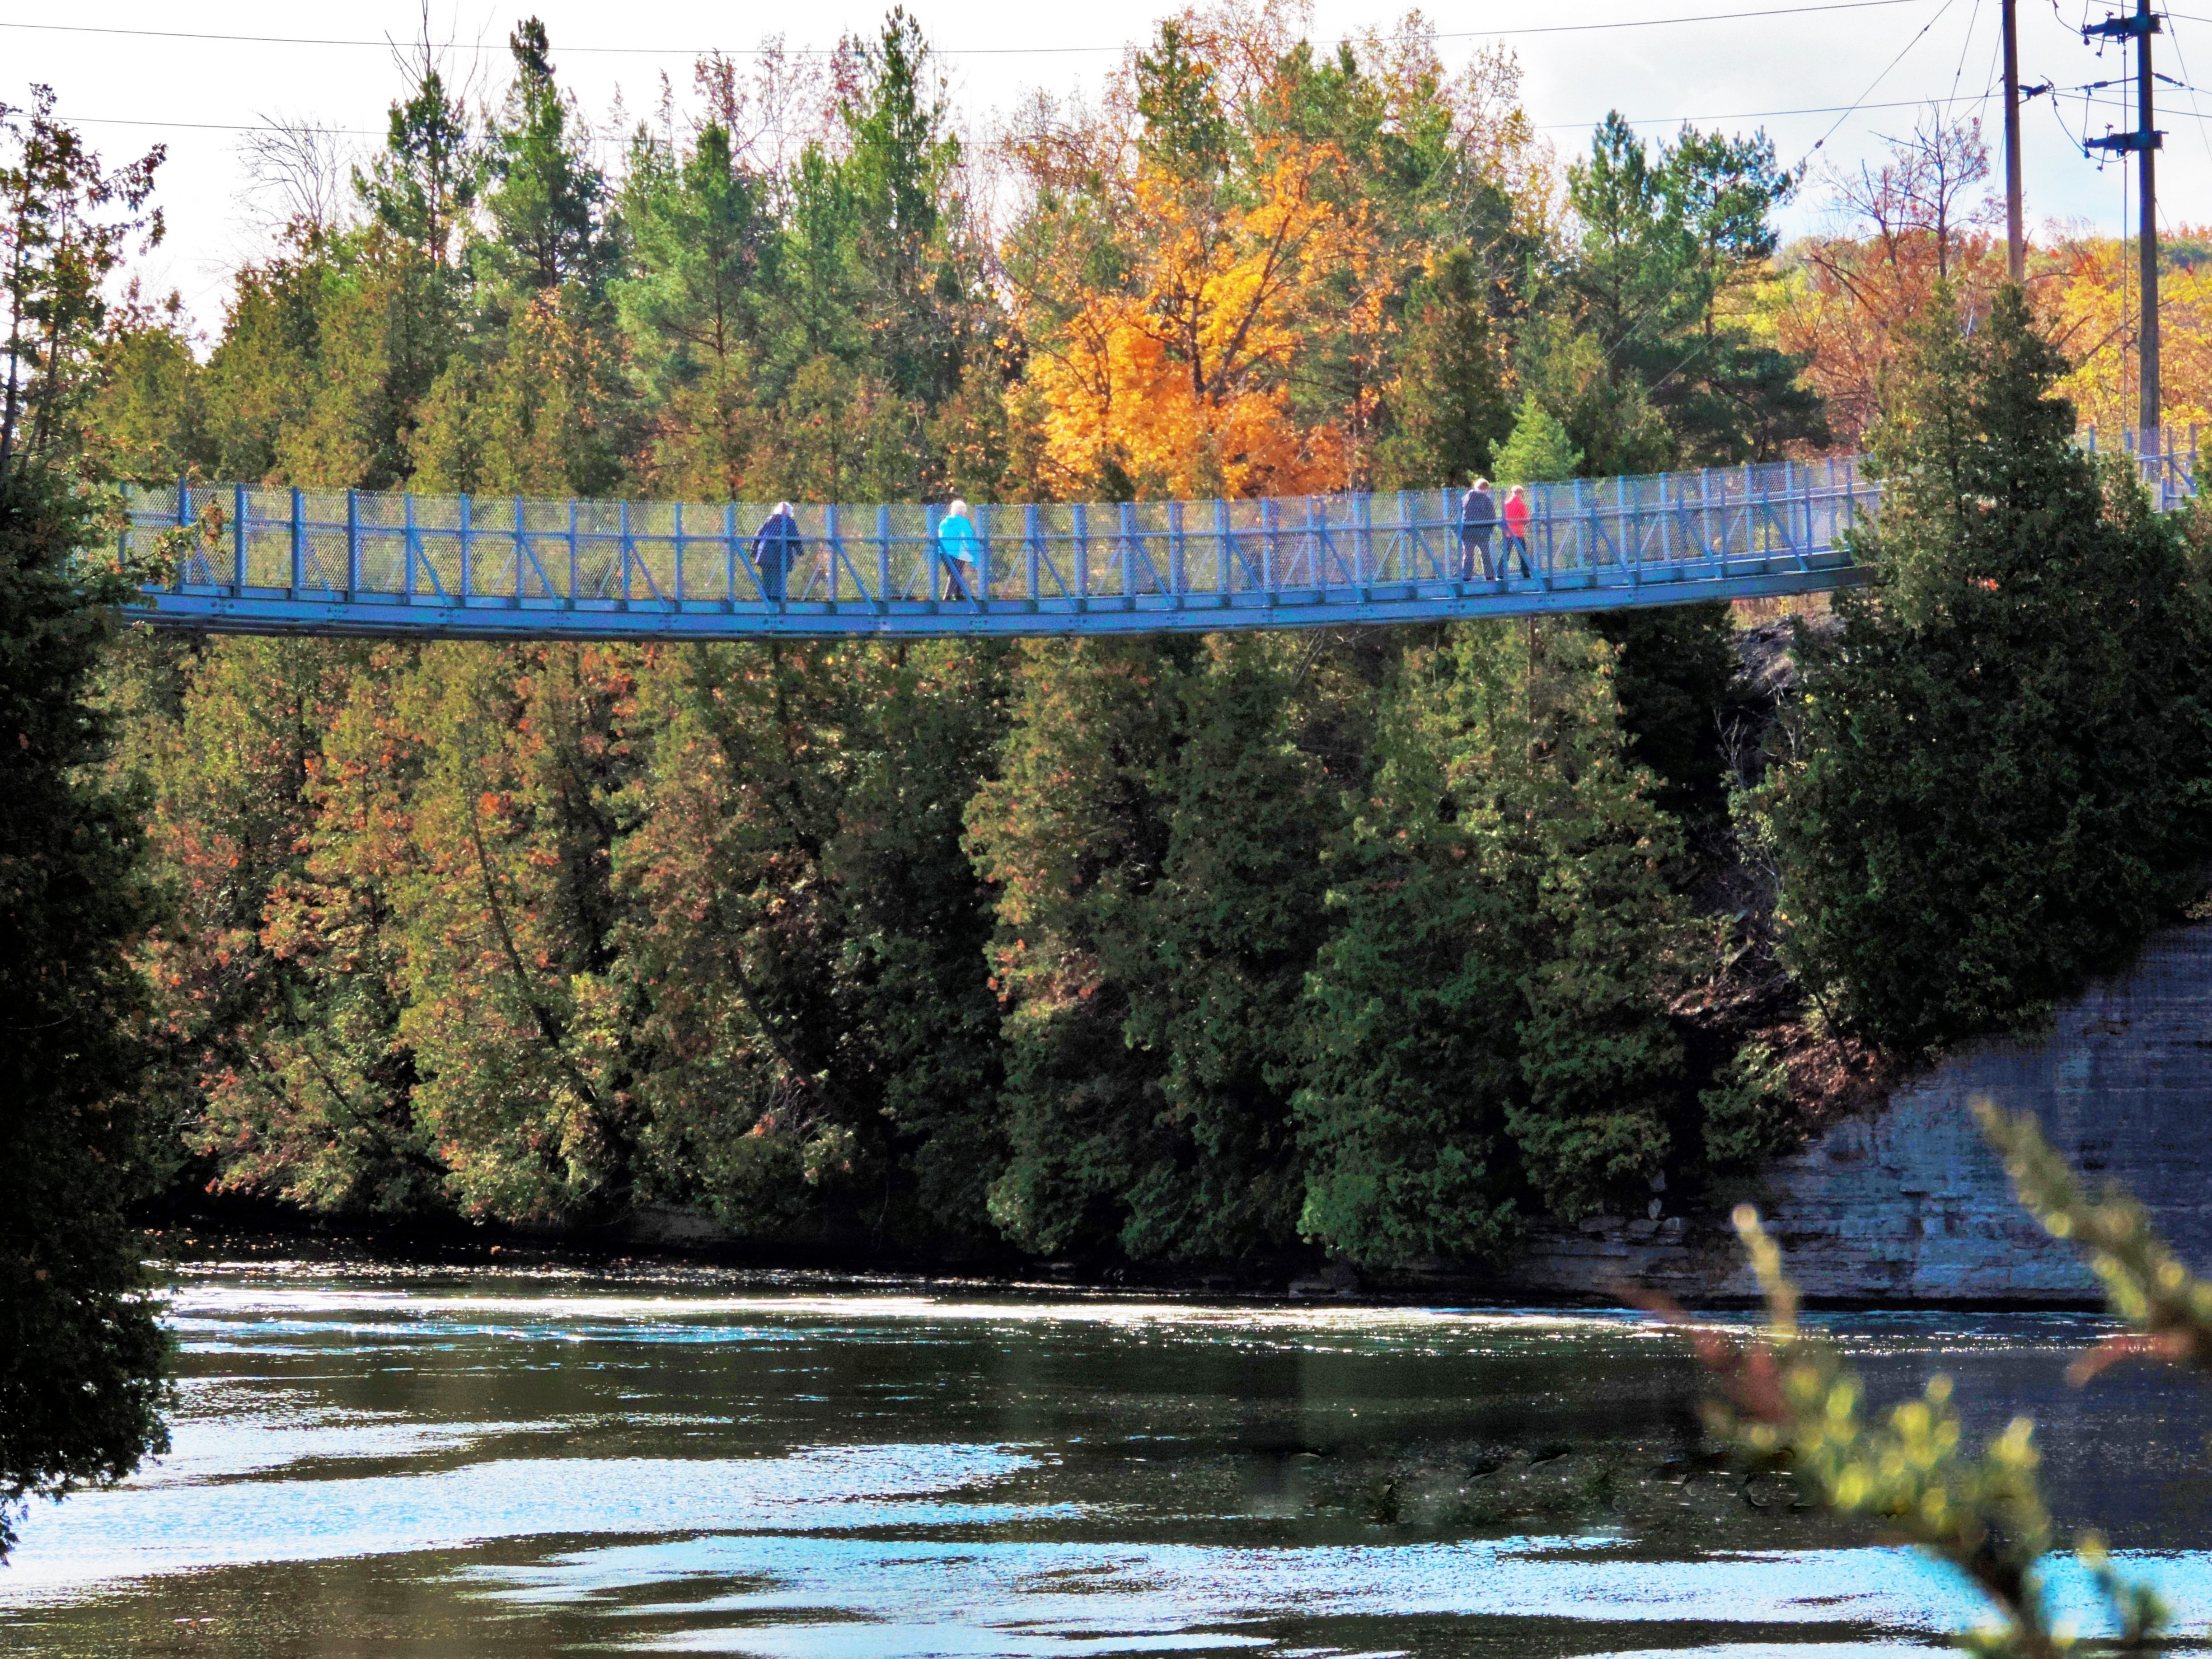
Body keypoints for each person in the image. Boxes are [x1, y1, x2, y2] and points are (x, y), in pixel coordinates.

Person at [752, 501, 800, 601]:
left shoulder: (768, 521)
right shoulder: (789, 522)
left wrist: (754, 551)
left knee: (767, 576)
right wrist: (800, 551)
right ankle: (777, 598)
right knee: (780, 575)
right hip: (780, 554)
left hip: (764, 553)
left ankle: (766, 598)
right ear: (789, 512)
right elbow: (795, 537)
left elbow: (758, 536)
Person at [937, 497, 982, 600]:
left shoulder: (944, 522)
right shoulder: (963, 522)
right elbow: (967, 539)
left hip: (944, 551)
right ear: (963, 511)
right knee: (956, 574)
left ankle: (959, 594)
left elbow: (940, 536)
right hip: (958, 553)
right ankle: (948, 597)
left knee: (952, 573)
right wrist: (973, 552)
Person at [1456, 476, 1496, 580]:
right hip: (1482, 532)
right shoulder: (1486, 500)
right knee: (1485, 554)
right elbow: (1492, 516)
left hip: (1467, 532)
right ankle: (1489, 576)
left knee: (1468, 555)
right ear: (1485, 489)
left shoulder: (1465, 498)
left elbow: (1459, 514)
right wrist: (1489, 529)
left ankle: (1466, 577)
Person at [1501, 484, 1534, 578]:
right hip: (1519, 532)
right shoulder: (1520, 504)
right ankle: (1525, 572)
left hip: (1508, 532)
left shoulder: (1506, 504)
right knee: (1522, 553)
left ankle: (1500, 572)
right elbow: (1526, 519)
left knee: (1506, 553)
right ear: (1521, 494)